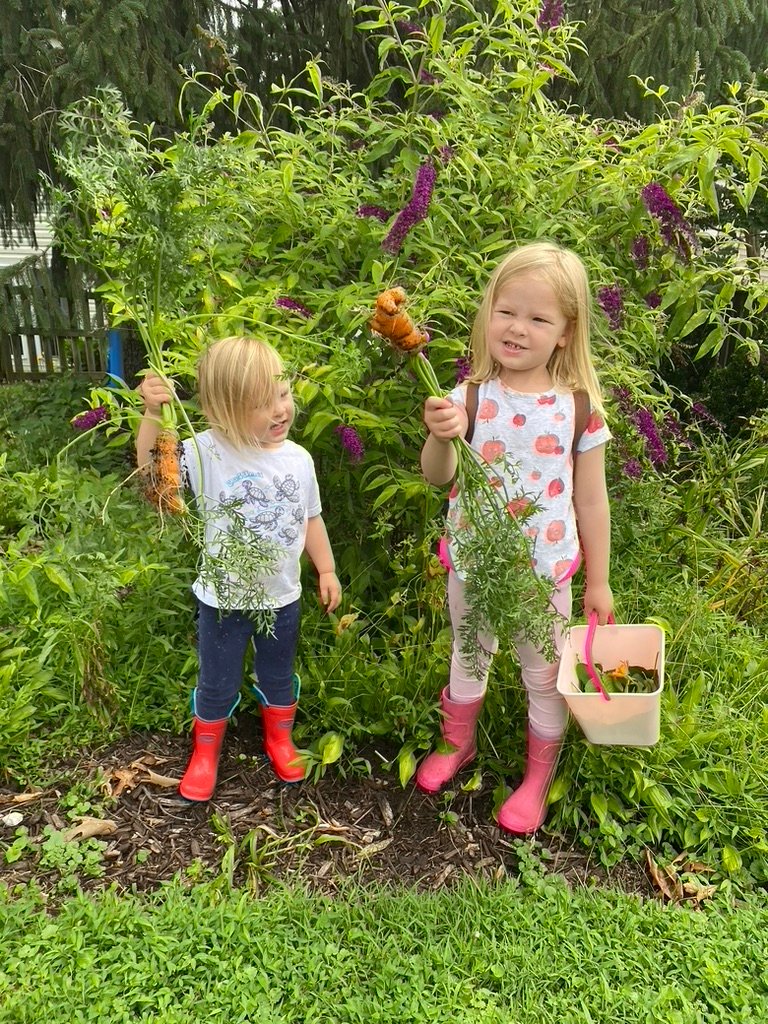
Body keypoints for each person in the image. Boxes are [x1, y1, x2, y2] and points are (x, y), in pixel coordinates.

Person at [416, 241, 613, 834]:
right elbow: (438, 479)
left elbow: (591, 500)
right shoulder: (469, 399)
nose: (517, 328)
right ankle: (459, 744)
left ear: (564, 332)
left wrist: (598, 581)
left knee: (543, 671)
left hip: (543, 572)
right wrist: (442, 437)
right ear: (488, 313)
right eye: (506, 310)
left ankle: (537, 773)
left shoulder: (578, 410)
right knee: (469, 653)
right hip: (474, 563)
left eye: (538, 318)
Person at [136, 336, 341, 801]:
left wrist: (325, 570)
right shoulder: (205, 452)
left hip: (282, 597)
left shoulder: (298, 459)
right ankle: (205, 751)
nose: (280, 411)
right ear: (223, 409)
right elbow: (153, 476)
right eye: (261, 404)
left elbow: (311, 518)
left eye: (284, 395)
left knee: (277, 672)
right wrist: (152, 414)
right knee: (217, 678)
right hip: (222, 600)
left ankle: (280, 737)